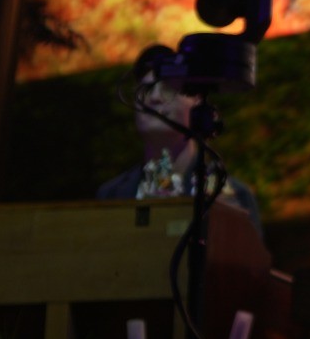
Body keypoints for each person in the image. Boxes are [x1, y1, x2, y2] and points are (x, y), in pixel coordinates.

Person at [97, 43, 263, 232]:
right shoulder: (112, 195)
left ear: (197, 99)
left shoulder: (234, 195)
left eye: (167, 88)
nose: (154, 98)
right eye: (145, 90)